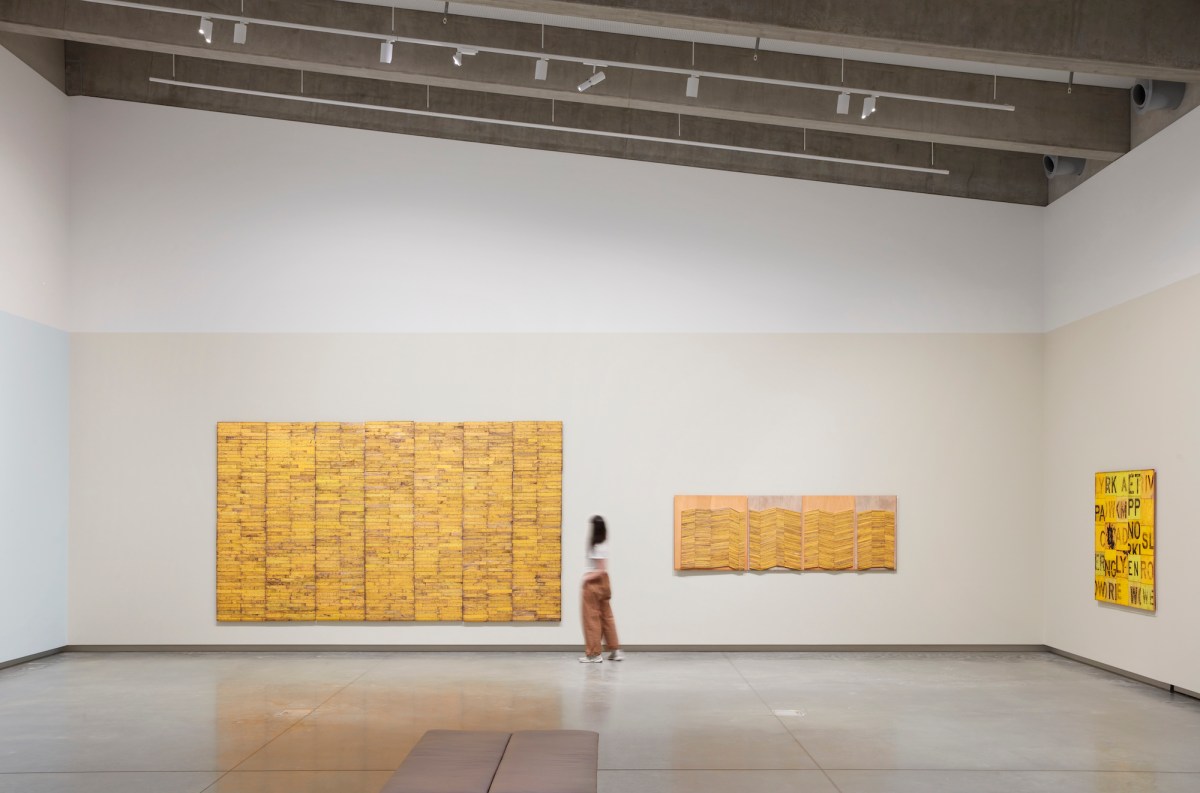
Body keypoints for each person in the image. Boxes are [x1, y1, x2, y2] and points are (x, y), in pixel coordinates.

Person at [580, 515, 623, 663]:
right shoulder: (604, 544)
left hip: (594, 582)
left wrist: (586, 578)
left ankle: (594, 654)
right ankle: (615, 650)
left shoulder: (596, 546)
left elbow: (601, 569)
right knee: (606, 617)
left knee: (591, 618)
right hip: (605, 583)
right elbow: (605, 571)